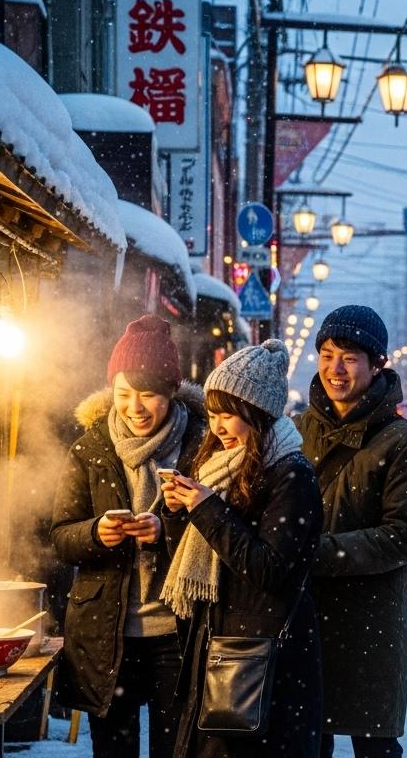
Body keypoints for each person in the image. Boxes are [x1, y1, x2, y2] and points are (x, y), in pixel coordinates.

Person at [159, 339, 324, 758]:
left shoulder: (291, 474)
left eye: (229, 414)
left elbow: (268, 568)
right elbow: (202, 554)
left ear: (260, 413)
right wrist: (178, 512)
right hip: (218, 646)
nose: (217, 427)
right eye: (213, 414)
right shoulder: (216, 465)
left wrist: (206, 508)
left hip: (264, 661)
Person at [51, 315, 206, 758]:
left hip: (178, 633)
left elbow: (222, 533)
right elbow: (61, 535)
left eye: (148, 395)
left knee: (175, 749)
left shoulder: (200, 446)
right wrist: (97, 533)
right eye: (123, 395)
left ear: (172, 392)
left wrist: (166, 533)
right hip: (106, 632)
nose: (134, 407)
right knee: (112, 751)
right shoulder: (91, 447)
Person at [295, 306, 407, 758]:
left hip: (369, 625)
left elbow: (405, 536)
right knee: (307, 742)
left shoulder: (401, 441)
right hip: (301, 618)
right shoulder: (294, 432)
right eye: (327, 355)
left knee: (374, 747)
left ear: (377, 364)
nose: (335, 369)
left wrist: (314, 553)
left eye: (350, 358)